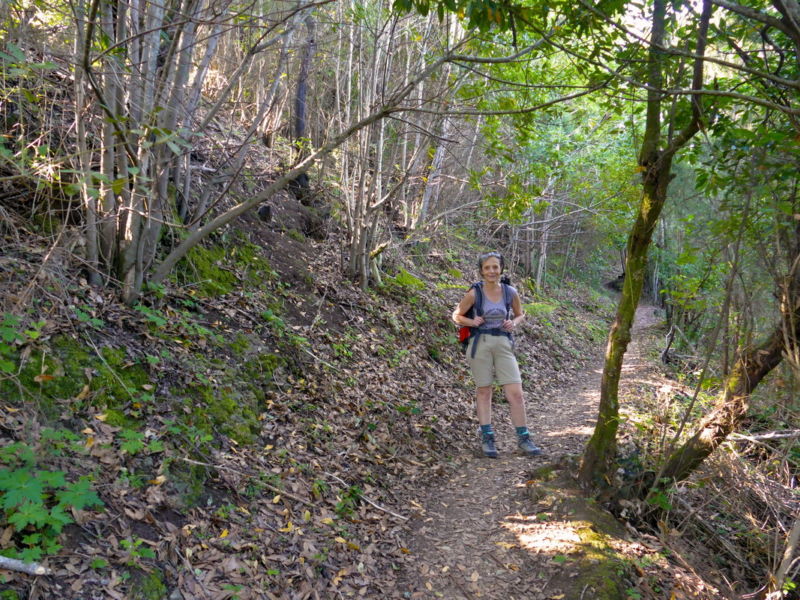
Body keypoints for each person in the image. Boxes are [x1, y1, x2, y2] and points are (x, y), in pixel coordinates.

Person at [452, 252, 543, 458]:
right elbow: (456, 315)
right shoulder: (475, 293)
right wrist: (471, 322)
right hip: (479, 344)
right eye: (487, 268)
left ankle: (524, 438)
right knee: (484, 391)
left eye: (495, 267)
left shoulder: (510, 291)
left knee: (516, 393)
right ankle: (487, 438)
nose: (492, 271)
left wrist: (514, 322)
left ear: (501, 269)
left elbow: (520, 314)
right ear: (481, 271)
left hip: (503, 343)